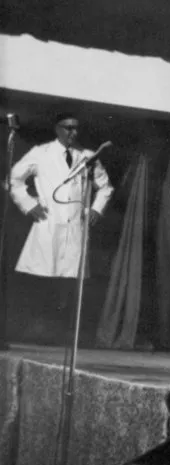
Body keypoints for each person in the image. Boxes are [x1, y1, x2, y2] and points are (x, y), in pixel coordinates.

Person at [8, 111, 113, 344]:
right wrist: (28, 204)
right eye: (67, 127)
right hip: (47, 224)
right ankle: (33, 334)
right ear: (57, 129)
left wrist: (96, 209)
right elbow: (13, 179)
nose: (72, 132)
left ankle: (62, 336)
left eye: (76, 128)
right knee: (40, 278)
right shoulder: (41, 153)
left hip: (75, 227)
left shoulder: (88, 156)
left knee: (70, 284)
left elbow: (105, 188)